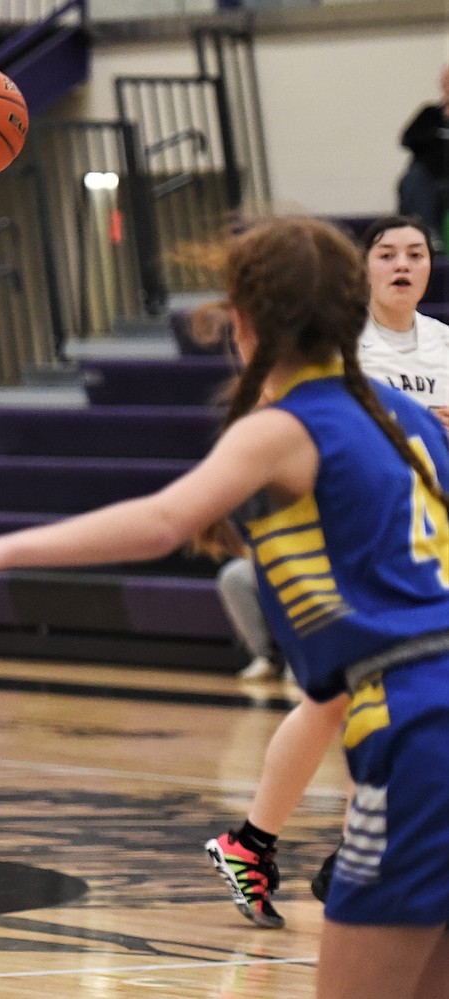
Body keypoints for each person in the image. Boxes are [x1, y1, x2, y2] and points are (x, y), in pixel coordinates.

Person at [0, 217, 449, 999]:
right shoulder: (414, 421)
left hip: (421, 732)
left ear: (245, 322)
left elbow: (162, 520)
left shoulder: (294, 423)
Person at [206, 214, 449, 929]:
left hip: (427, 538)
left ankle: (285, 845)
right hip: (356, 540)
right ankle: (308, 846)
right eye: (387, 253)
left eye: (417, 253)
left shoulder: (444, 344)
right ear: (360, 275)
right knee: (352, 695)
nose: (404, 264)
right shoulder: (342, 349)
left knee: (362, 699)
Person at [397, 65, 449, 249]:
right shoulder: (429, 113)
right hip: (430, 174)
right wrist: (435, 136)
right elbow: (408, 139)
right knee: (414, 180)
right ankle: (426, 234)